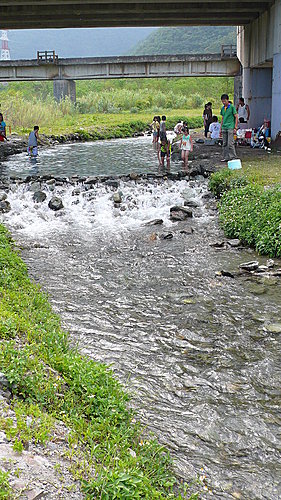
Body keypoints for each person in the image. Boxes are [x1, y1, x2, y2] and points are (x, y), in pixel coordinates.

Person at [220, 94, 238, 162]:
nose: (224, 102)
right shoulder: (222, 108)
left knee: (230, 143)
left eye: (224, 101)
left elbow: (236, 117)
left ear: (227, 100)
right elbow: (222, 118)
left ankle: (233, 157)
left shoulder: (232, 107)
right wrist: (221, 128)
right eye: (222, 101)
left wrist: (235, 127)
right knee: (224, 143)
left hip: (230, 127)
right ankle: (226, 157)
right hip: (224, 127)